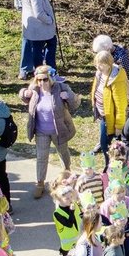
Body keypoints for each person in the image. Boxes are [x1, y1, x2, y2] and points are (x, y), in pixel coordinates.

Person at [20, 66, 78, 199]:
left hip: (59, 130)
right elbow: (23, 96)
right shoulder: (34, 89)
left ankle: (67, 177)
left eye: (45, 79)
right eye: (39, 80)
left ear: (50, 79)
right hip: (41, 131)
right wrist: (24, 93)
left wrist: (68, 97)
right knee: (41, 157)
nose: (42, 83)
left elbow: (75, 103)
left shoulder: (60, 88)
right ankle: (40, 183)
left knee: (63, 154)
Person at [16, 0, 57, 76]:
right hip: (41, 25)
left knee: (36, 49)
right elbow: (39, 12)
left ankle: (41, 73)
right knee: (50, 45)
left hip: (30, 24)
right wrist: (49, 20)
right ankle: (49, 73)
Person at [90, 51, 127, 168]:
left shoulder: (116, 79)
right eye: (97, 64)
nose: (98, 67)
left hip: (111, 119)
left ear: (109, 63)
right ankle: (109, 166)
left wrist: (119, 126)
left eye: (101, 64)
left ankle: (112, 168)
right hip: (103, 115)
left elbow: (121, 105)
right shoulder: (99, 74)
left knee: (109, 146)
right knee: (104, 144)